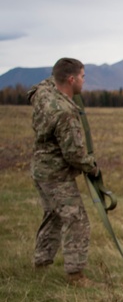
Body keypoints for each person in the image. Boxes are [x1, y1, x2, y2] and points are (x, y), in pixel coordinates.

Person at [29, 58, 100, 287]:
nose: (83, 81)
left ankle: (41, 264)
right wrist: (93, 167)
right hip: (55, 176)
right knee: (77, 219)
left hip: (40, 170)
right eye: (82, 76)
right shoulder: (65, 113)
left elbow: (39, 87)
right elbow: (74, 155)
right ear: (71, 80)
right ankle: (75, 275)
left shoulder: (45, 93)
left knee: (54, 215)